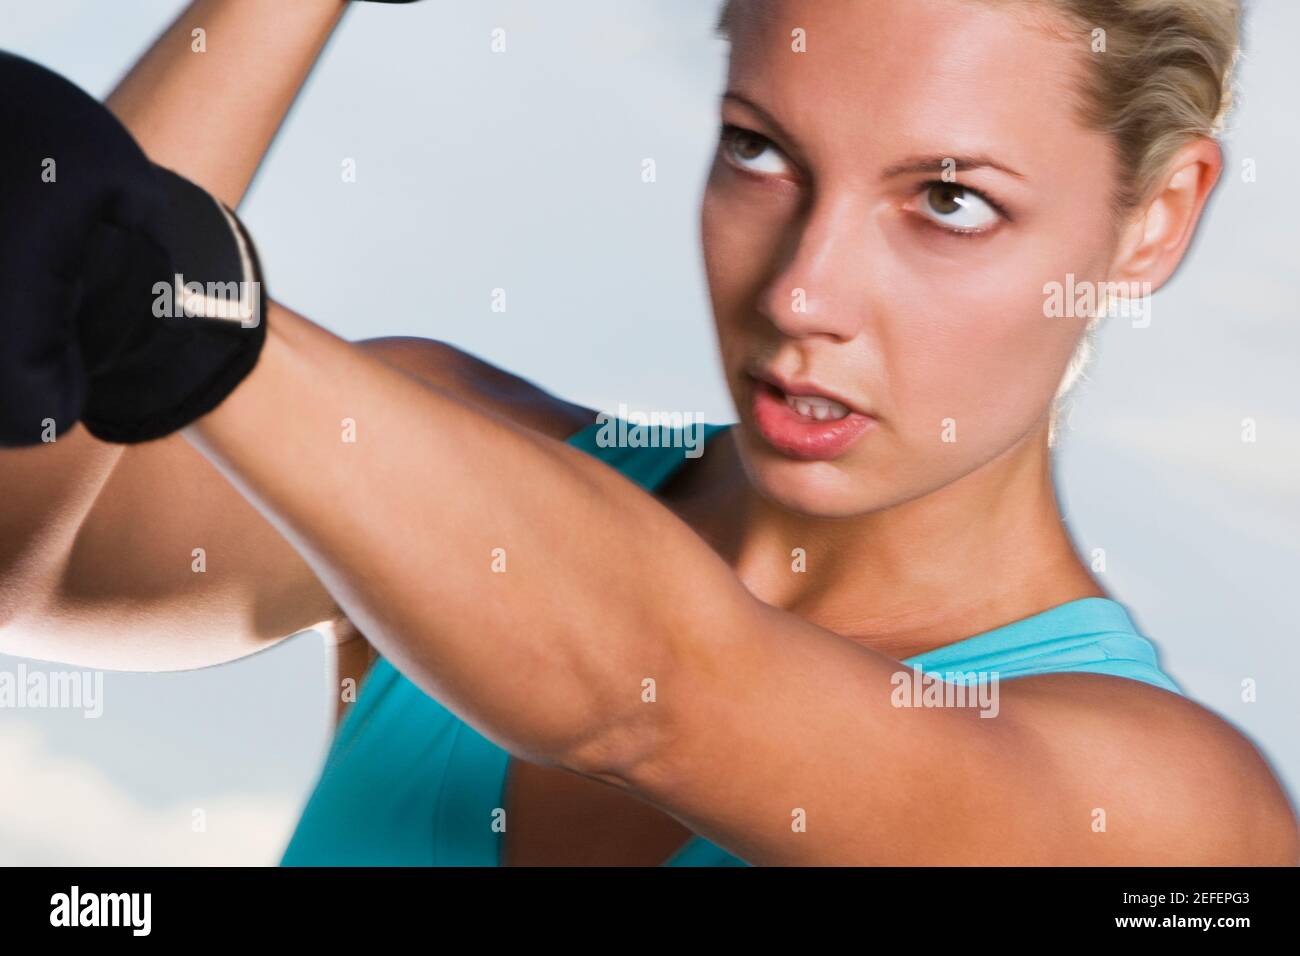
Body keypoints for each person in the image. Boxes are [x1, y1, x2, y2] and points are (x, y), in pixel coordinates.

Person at [0, 0, 1295, 866]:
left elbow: (654, 692)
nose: (802, 293)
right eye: (760, 151)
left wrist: (200, 314)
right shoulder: (458, 462)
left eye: (949, 201)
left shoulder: (1172, 816)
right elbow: (30, 541)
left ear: (1154, 222)